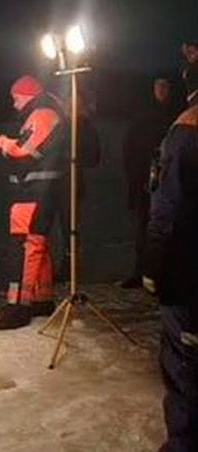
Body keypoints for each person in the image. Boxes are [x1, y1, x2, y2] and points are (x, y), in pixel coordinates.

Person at [143, 61, 198, 452]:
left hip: (189, 273)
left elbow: (169, 211)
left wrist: (154, 268)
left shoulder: (187, 128)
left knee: (184, 364)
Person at [0, 75, 68, 330]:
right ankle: (42, 299)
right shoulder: (50, 110)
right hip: (42, 190)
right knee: (37, 244)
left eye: (16, 98)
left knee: (24, 247)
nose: (14, 105)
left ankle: (18, 307)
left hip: (33, 191)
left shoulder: (42, 113)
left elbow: (24, 150)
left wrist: (3, 144)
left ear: (27, 94)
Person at [119, 77, 179, 288]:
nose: (162, 90)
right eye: (159, 86)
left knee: (167, 226)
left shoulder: (175, 115)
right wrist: (137, 177)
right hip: (145, 180)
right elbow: (130, 149)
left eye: (166, 86)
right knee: (144, 227)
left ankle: (162, 272)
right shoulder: (142, 116)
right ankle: (140, 271)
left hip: (169, 181)